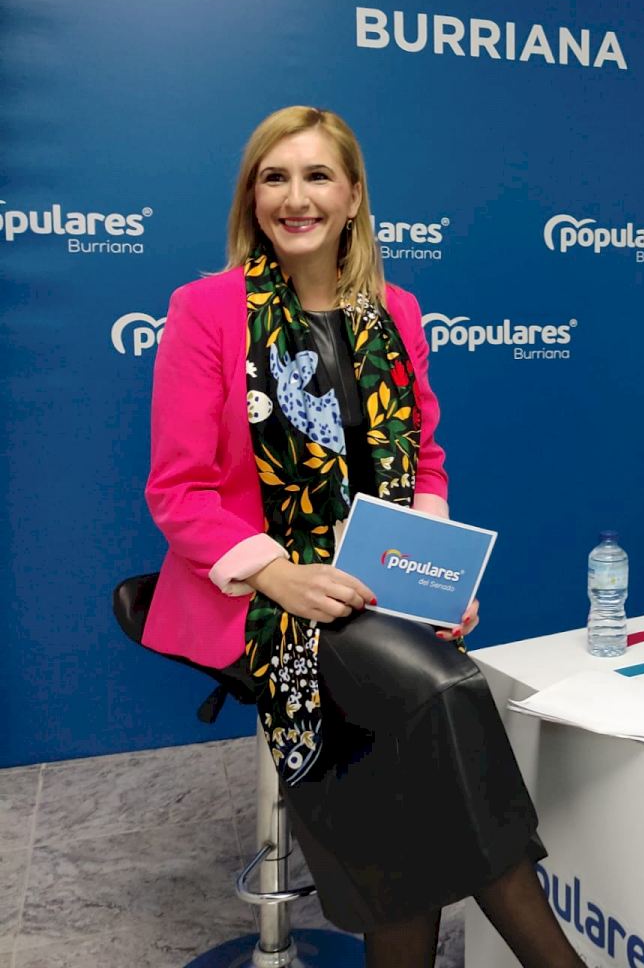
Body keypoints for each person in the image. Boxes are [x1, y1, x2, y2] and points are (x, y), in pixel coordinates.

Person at [142, 105, 585, 968]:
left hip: (373, 582)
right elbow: (179, 490)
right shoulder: (207, 310)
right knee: (441, 690)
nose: (295, 197)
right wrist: (278, 574)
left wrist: (434, 576)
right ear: (252, 197)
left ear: (352, 197)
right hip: (258, 592)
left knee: (406, 772)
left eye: (317, 176)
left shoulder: (396, 312)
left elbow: (424, 458)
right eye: (274, 177)